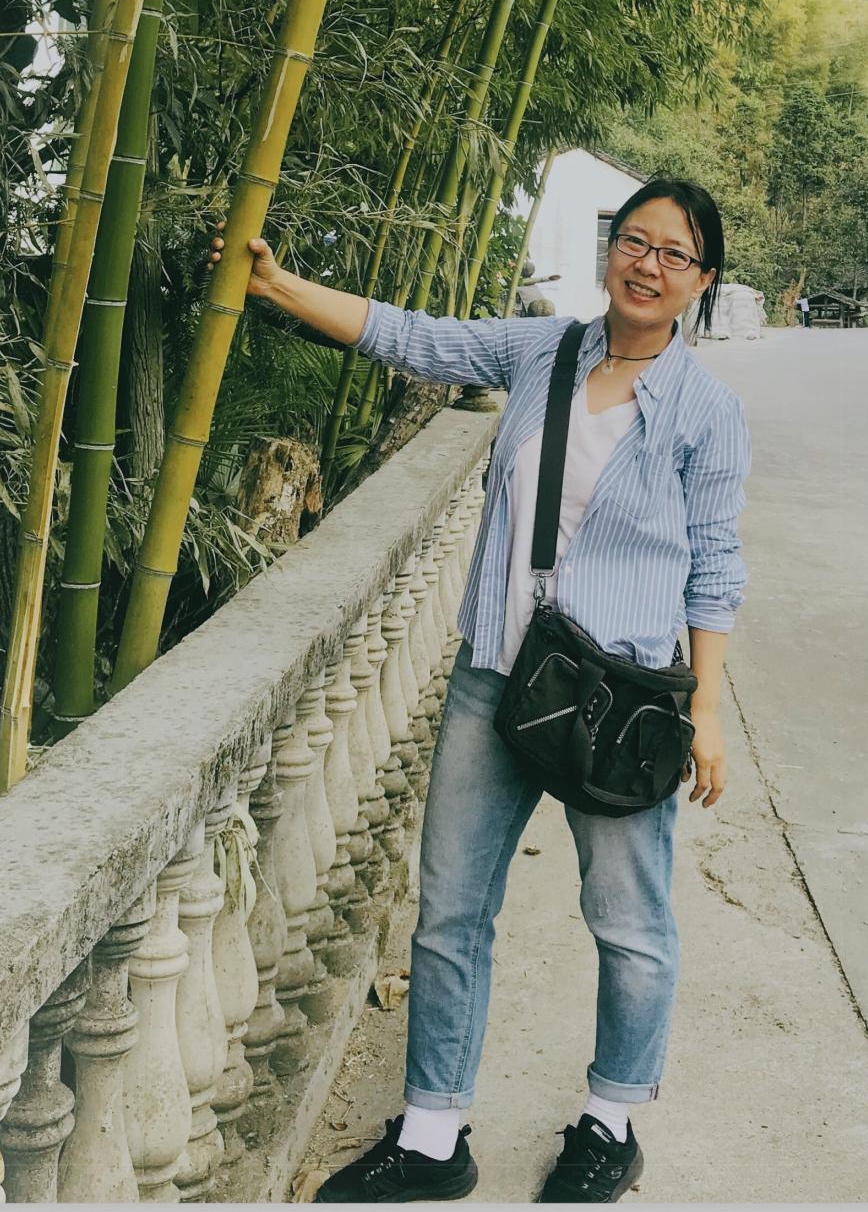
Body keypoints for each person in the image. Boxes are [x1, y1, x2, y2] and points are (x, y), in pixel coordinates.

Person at [210, 179, 751, 1203]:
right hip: (498, 674)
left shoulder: (705, 414)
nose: (646, 264)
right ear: (611, 252)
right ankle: (431, 1136)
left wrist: (706, 711)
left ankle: (609, 1123)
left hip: (621, 701)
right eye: (633, 241)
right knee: (450, 908)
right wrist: (278, 287)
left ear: (701, 280)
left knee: (628, 921)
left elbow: (716, 568)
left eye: (673, 254)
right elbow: (415, 337)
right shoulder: (543, 352)